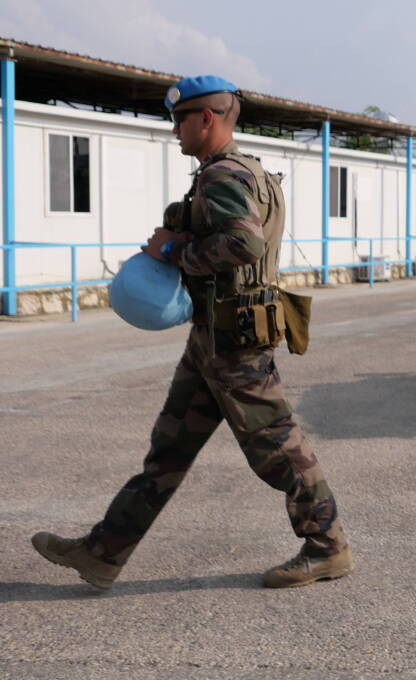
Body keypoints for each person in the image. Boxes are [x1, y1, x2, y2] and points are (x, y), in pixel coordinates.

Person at [30, 75, 351, 590]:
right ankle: (103, 552)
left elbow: (242, 244)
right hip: (213, 337)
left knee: (277, 448)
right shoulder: (246, 171)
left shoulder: (225, 174)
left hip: (236, 343)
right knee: (169, 449)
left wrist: (172, 252)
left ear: (207, 119)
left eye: (180, 119)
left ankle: (327, 546)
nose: (174, 129)